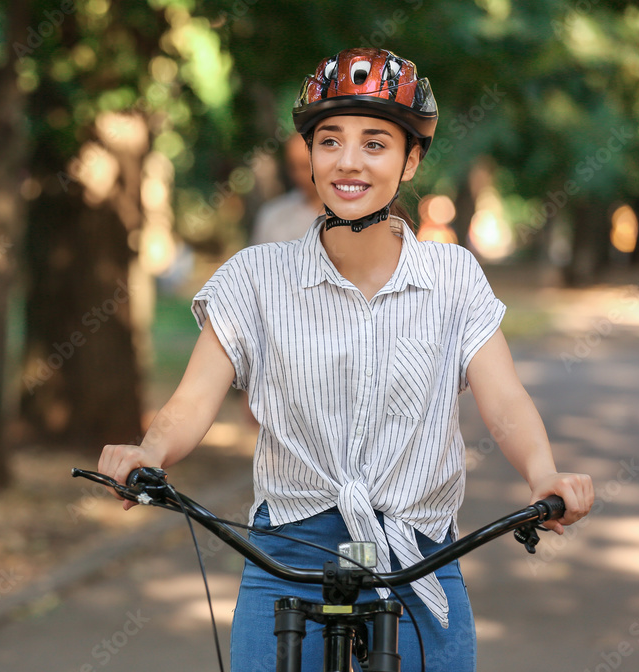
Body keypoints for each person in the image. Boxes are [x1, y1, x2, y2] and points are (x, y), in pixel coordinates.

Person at [98, 48, 594, 672]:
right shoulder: (256, 277)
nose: (348, 161)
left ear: (411, 159)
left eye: (376, 143)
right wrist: (151, 453)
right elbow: (193, 400)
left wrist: (543, 474)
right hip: (288, 553)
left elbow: (504, 401)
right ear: (309, 155)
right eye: (329, 140)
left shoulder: (453, 278)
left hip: (420, 556)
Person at [250, 133, 322, 245]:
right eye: (293, 167)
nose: (299, 175)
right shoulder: (273, 216)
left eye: (305, 166)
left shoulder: (350, 214)